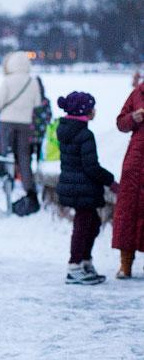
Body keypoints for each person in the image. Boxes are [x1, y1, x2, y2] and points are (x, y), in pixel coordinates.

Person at [55, 92, 118, 284]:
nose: (95, 111)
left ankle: (84, 261)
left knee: (92, 224)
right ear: (84, 112)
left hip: (73, 185)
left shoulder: (66, 129)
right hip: (82, 188)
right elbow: (91, 167)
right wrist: (111, 181)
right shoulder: (84, 134)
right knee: (83, 227)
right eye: (92, 107)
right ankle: (74, 266)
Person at [0, 50, 43, 216]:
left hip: (7, 122)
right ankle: (29, 188)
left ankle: (8, 184)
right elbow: (37, 103)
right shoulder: (32, 81)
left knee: (6, 155)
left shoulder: (8, 80)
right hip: (25, 123)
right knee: (24, 157)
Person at [112, 80, 144, 278]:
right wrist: (133, 118)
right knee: (128, 211)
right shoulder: (138, 93)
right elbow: (120, 123)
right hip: (135, 161)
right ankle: (125, 264)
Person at [29, 75, 52, 167]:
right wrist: (47, 123)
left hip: (30, 128)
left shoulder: (29, 99)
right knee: (39, 148)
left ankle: (29, 168)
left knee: (29, 149)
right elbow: (49, 114)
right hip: (41, 129)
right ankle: (38, 166)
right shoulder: (45, 100)